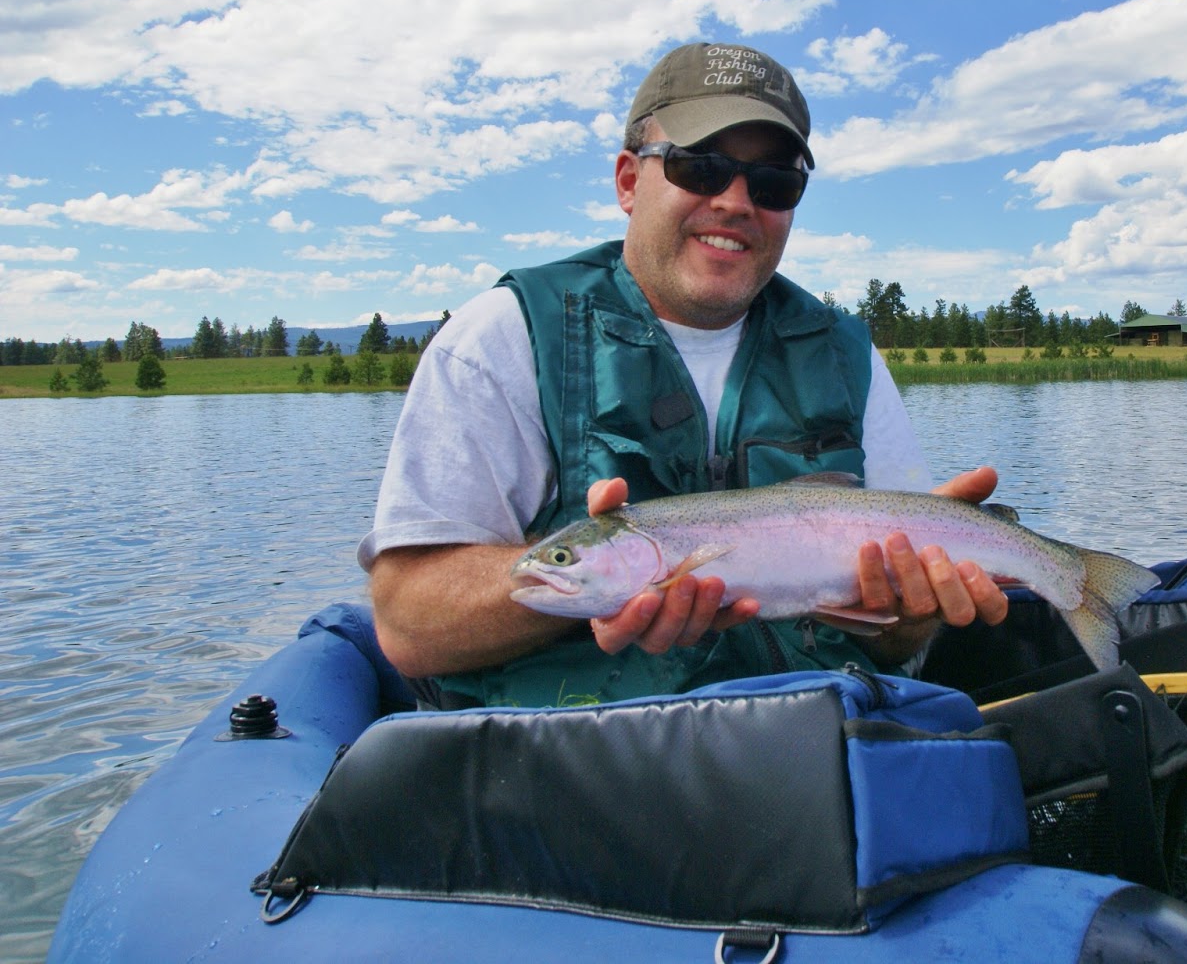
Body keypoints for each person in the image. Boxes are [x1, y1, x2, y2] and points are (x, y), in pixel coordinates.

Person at [360, 41, 1009, 708]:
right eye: (700, 166)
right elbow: (408, 622)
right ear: (627, 180)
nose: (734, 201)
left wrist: (908, 618)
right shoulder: (502, 337)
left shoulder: (846, 355)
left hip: (815, 764)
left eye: (773, 182)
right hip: (577, 770)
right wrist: (598, 586)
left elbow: (901, 640)